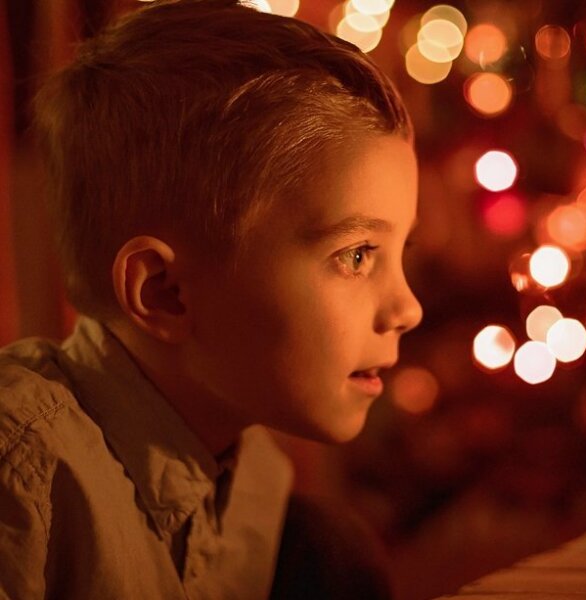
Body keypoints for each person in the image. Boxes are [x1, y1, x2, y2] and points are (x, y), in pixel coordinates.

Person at [0, 0, 422, 597]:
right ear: (165, 293)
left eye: (400, 249)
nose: (408, 308)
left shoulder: (259, 485)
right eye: (355, 255)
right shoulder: (21, 470)